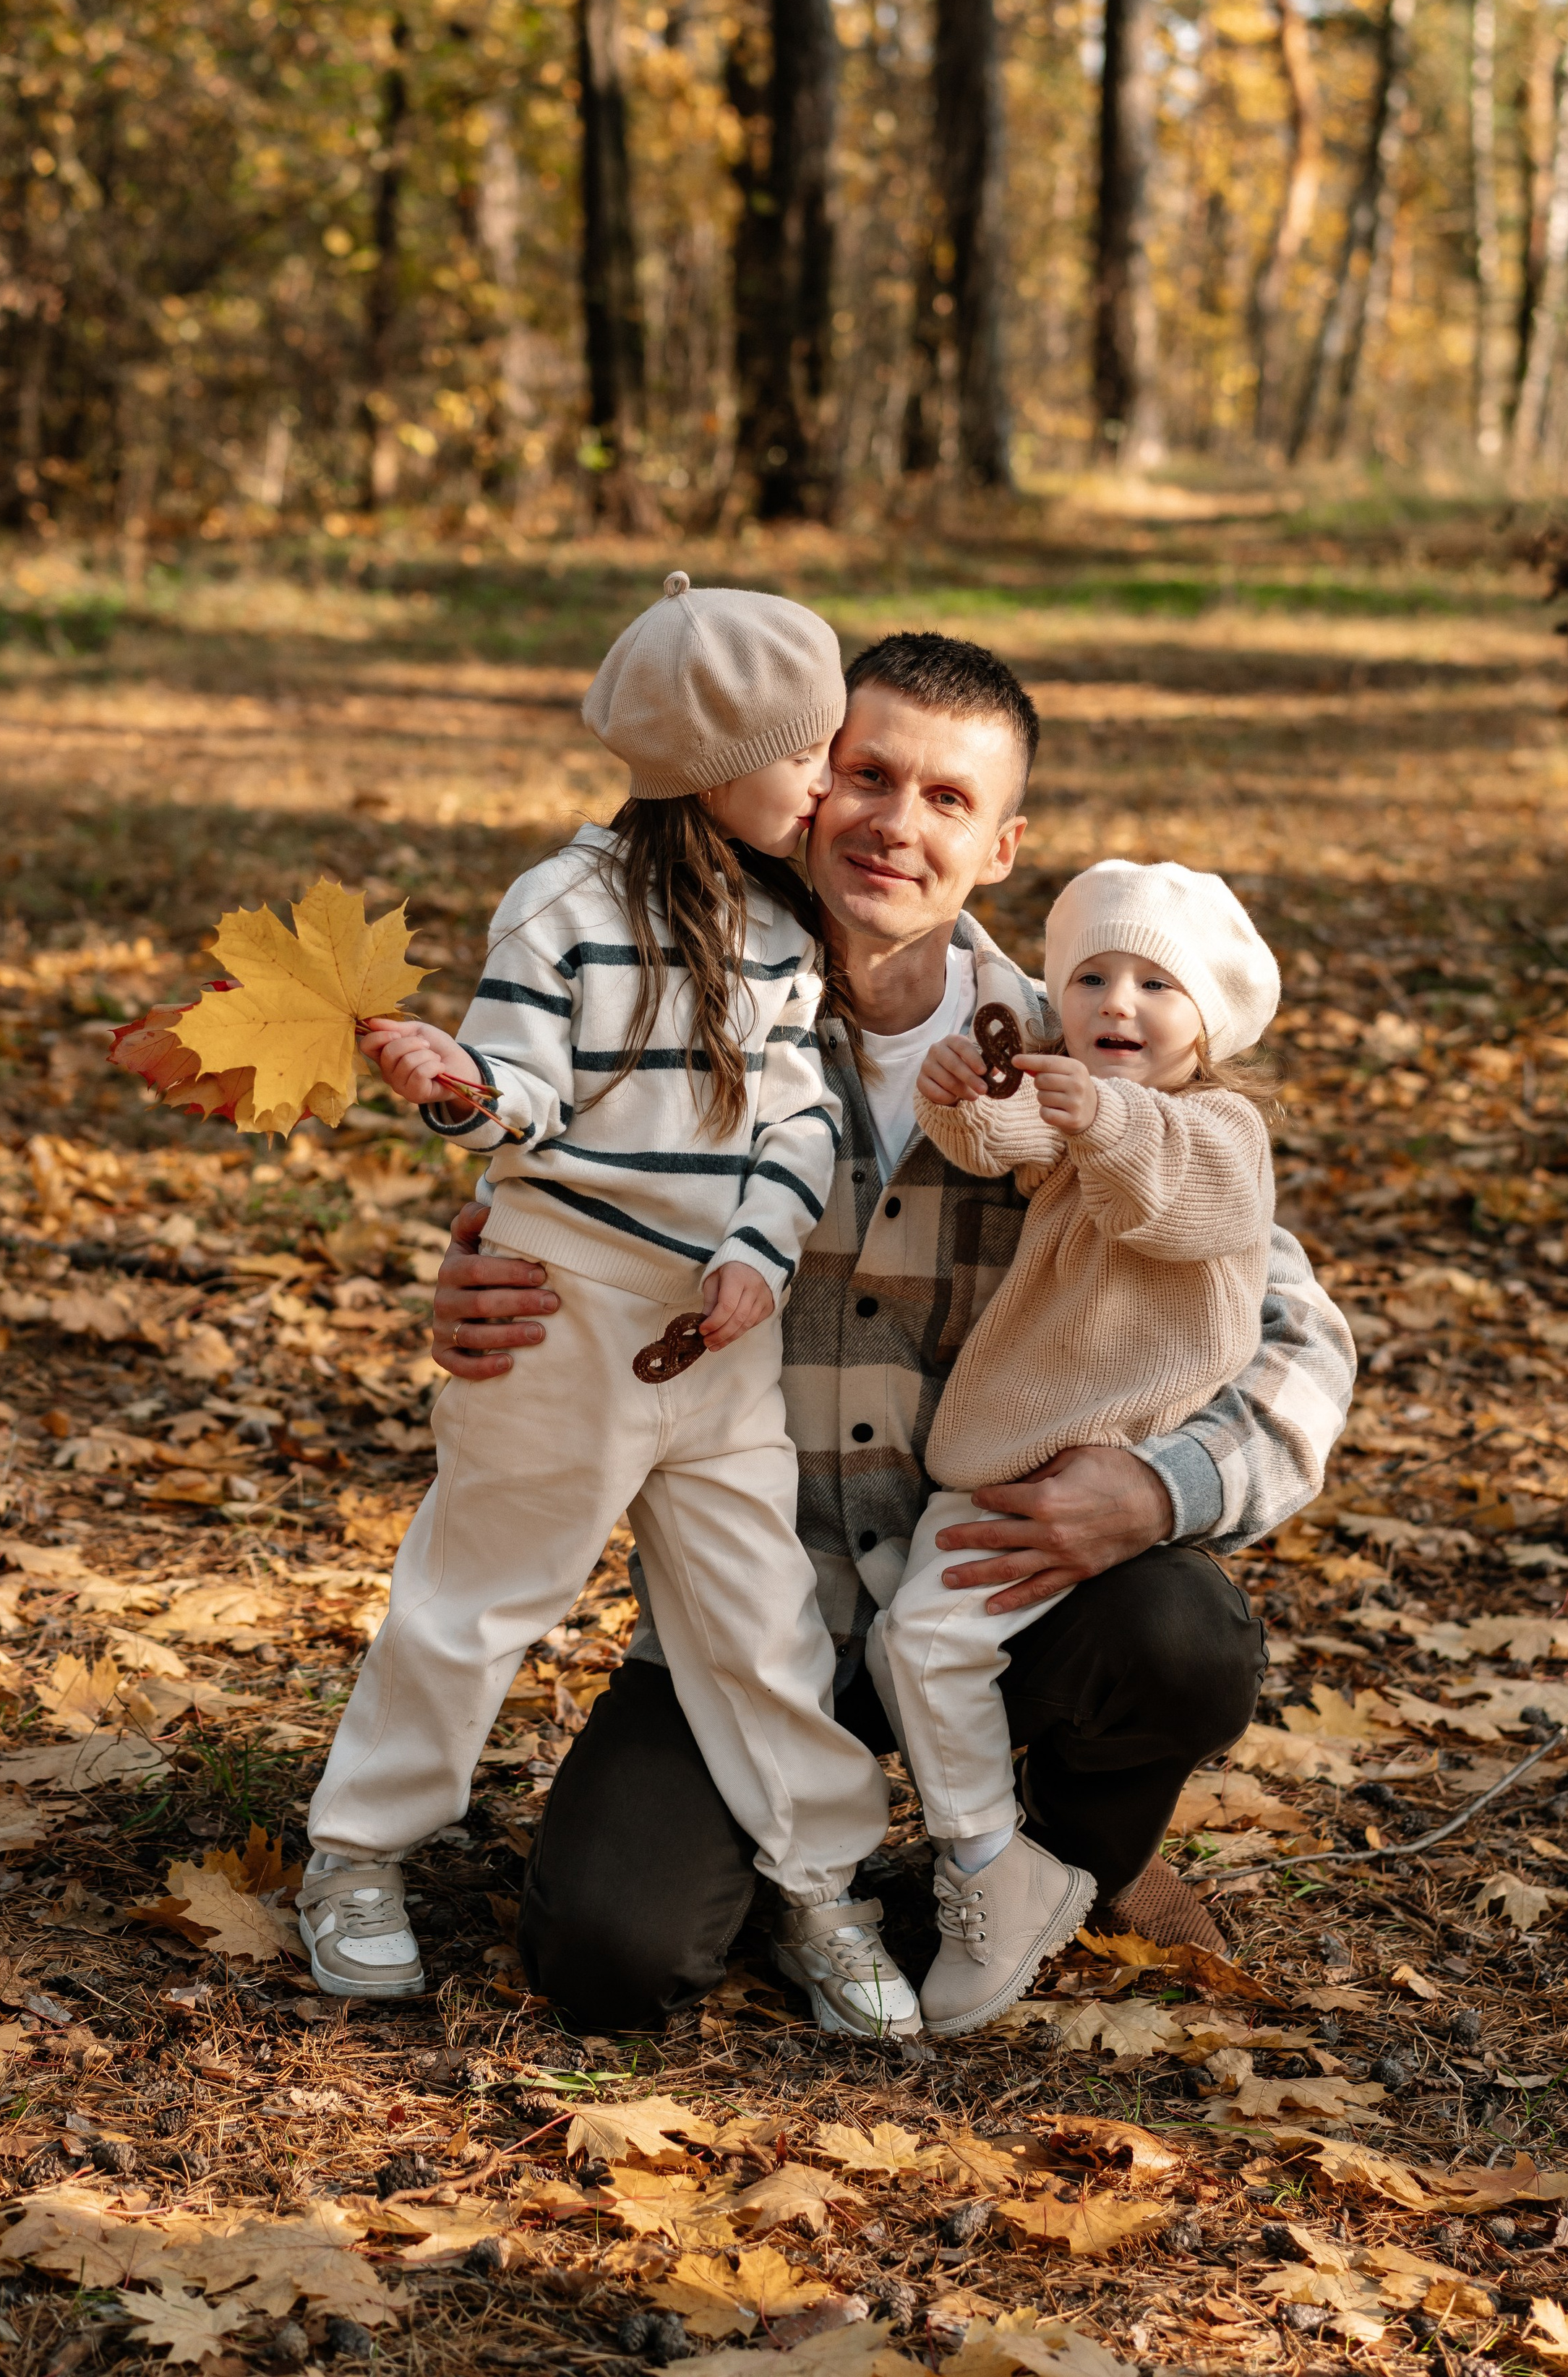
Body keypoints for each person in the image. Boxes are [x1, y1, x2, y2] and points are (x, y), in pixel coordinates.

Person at [429, 631, 1357, 2034]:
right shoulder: (679, 1025)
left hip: (996, 1586)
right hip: (752, 1617)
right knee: (607, 1954)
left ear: (999, 846)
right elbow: (550, 1215)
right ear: (805, 788)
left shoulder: (1071, 1052)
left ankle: (1052, 1857)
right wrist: (483, 1296)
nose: (894, 823)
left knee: (1180, 1634)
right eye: (867, 774)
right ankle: (842, 1870)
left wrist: (1160, 1485)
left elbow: (1292, 1325)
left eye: (946, 798)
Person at [300, 573, 920, 2040]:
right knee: (477, 1596)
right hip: (562, 1310)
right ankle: (359, 1851)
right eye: (809, 750)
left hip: (719, 1332)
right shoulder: (562, 905)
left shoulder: (779, 929)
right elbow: (523, 1092)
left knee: (757, 1618)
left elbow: (798, 1123)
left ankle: (819, 1881)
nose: (827, 780)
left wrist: (759, 1255)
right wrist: (458, 1089)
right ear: (713, 757)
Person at [874, 858, 1282, 2035]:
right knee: (918, 1647)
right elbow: (999, 1134)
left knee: (951, 1641)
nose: (1118, 1001)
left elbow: (1191, 1200)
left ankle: (1023, 1857)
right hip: (1008, 1461)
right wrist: (958, 1092)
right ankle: (993, 1861)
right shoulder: (1071, 1126)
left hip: (1109, 1465)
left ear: (1210, 1021)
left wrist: (1101, 1113)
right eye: (1093, 975)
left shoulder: (1221, 1131)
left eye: (1158, 983)